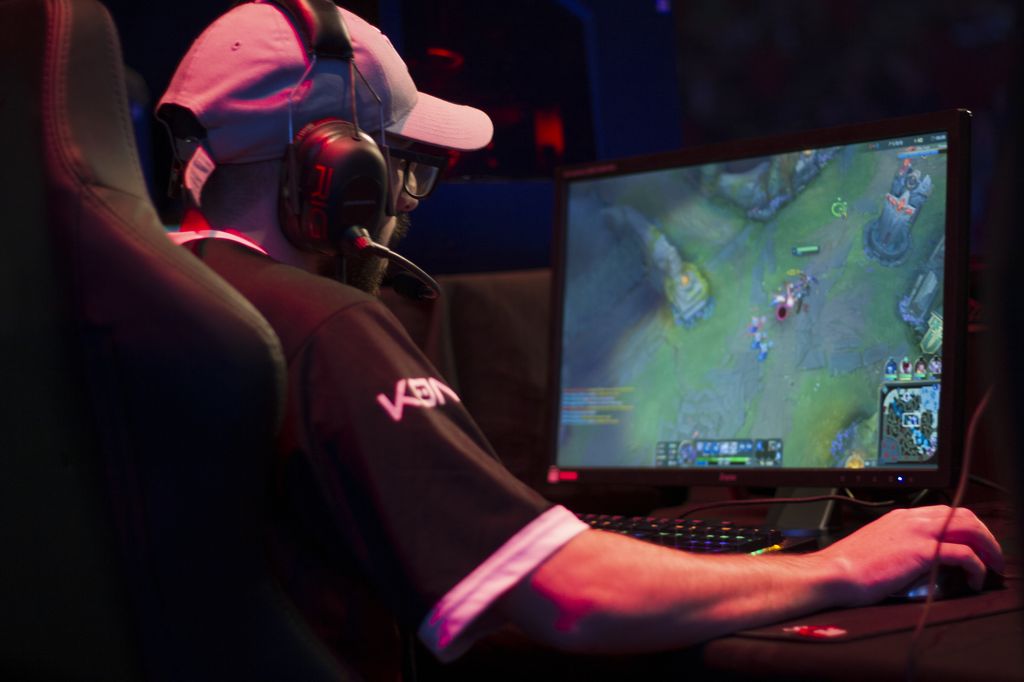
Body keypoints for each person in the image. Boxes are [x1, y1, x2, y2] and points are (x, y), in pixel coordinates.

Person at [157, 1, 1003, 678]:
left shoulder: (172, 302)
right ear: (338, 174)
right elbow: (571, 594)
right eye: (399, 168)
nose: (404, 203)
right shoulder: (321, 328)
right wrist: (846, 568)